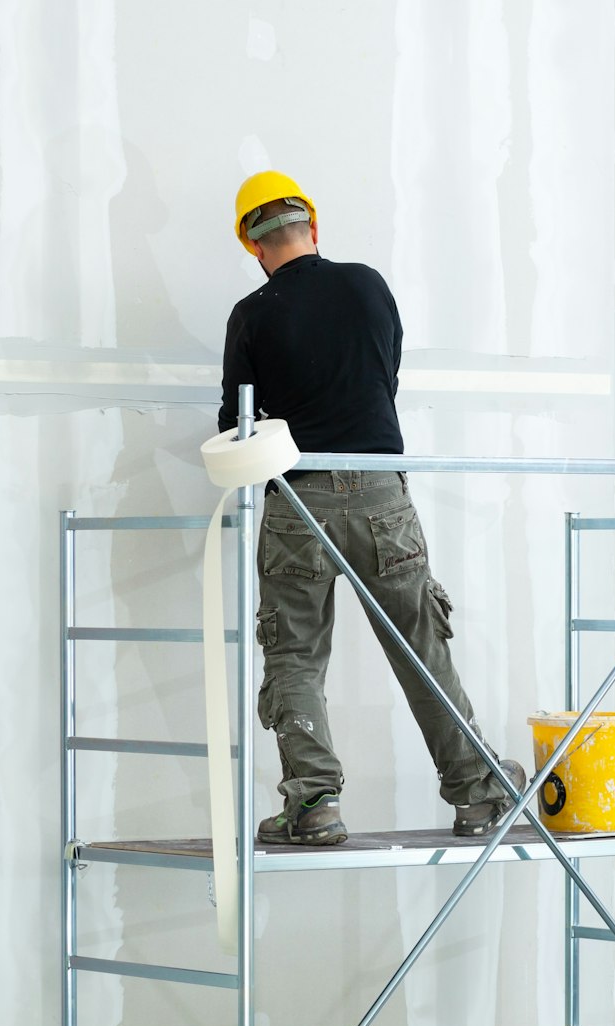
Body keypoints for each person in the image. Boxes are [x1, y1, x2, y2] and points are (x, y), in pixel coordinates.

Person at [219, 170, 523, 847]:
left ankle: (313, 803)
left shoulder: (253, 314)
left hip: (299, 497)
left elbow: (236, 425)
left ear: (254, 245)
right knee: (419, 645)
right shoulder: (368, 286)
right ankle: (476, 793)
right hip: (383, 493)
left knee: (294, 653)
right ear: (314, 228)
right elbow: (384, 379)